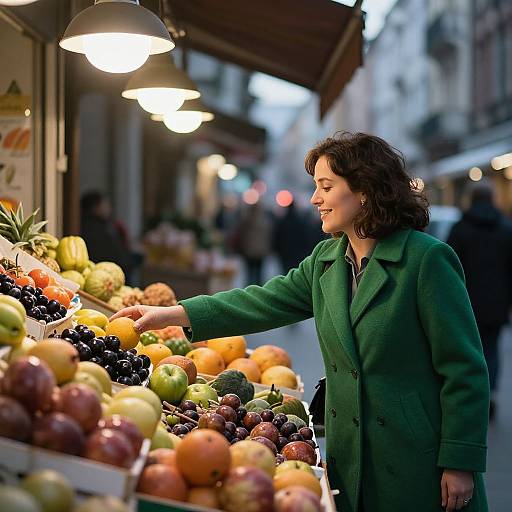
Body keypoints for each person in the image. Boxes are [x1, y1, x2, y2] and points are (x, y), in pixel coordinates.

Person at [111, 133, 489, 512]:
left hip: (415, 458)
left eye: (326, 187)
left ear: (365, 192)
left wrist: (460, 461)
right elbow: (260, 301)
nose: (315, 199)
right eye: (316, 187)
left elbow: (465, 369)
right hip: (350, 453)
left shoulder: (426, 261)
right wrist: (173, 314)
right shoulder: (327, 259)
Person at [447, 179, 512, 420]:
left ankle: (473, 398)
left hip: (466, 302)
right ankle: (490, 393)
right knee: (492, 350)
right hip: (497, 303)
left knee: (467, 351)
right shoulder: (505, 228)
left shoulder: (460, 228)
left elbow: (448, 270)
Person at [80, 190, 133, 279]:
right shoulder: (95, 229)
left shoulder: (104, 225)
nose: (109, 208)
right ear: (95, 208)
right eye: (105, 205)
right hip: (107, 276)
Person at [233, 202, 273, 285]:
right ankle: (258, 291)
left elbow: (241, 236)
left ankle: (250, 291)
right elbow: (268, 236)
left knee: (250, 274)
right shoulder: (265, 221)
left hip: (249, 252)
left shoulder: (246, 220)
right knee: (259, 274)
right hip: (260, 252)